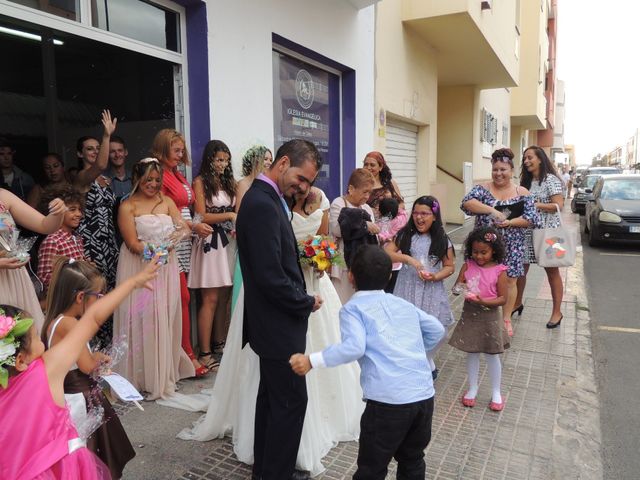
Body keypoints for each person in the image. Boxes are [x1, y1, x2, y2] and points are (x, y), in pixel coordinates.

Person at [178, 184, 363, 478]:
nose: (302, 187)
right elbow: (275, 250)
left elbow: (322, 237)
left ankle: (288, 452)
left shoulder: (318, 201)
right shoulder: (277, 205)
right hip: (286, 291)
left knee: (303, 366)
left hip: (311, 280)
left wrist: (321, 259)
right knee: (282, 385)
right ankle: (277, 462)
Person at [290, 245, 445, 480]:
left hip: (387, 403)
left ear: (350, 276)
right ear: (390, 276)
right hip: (423, 396)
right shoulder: (402, 304)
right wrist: (417, 355)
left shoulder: (353, 309)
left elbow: (354, 348)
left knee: (372, 467)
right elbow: (437, 329)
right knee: (412, 460)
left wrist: (312, 360)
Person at [0, 259, 159, 479]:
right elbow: (92, 319)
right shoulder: (47, 371)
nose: (41, 339)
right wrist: (132, 282)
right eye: (36, 336)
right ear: (20, 359)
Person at [235, 139, 323, 480]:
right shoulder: (261, 202)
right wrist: (305, 301)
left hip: (273, 325)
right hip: (276, 325)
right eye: (301, 178)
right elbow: (269, 277)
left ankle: (269, 471)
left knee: (273, 401)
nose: (303, 187)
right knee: (288, 403)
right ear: (283, 163)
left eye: (309, 184)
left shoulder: (268, 199)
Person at [42, 257, 135, 479]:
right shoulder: (71, 323)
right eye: (98, 296)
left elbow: (76, 358)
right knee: (86, 448)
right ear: (81, 297)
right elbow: (85, 366)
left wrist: (94, 356)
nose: (100, 301)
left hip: (66, 393)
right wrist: (99, 360)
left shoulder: (54, 321)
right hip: (78, 397)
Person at [114, 158, 197, 397]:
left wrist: (171, 243)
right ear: (138, 178)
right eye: (148, 179)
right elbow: (131, 243)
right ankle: (143, 375)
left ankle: (163, 371)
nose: (152, 184)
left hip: (166, 267)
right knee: (143, 316)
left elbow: (182, 227)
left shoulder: (168, 202)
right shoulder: (127, 206)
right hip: (139, 267)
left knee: (164, 315)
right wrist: (155, 253)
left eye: (156, 180)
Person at [152, 128, 212, 375]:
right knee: (179, 299)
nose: (180, 154)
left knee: (183, 297)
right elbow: (162, 210)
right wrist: (191, 225)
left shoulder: (175, 173)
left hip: (185, 237)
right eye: (175, 150)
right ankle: (184, 356)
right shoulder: (158, 175)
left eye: (181, 150)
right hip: (172, 237)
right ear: (163, 149)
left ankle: (184, 354)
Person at [461, 148, 538, 337]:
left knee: (511, 280)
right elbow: (466, 204)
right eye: (495, 169)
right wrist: (492, 210)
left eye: (503, 169)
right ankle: (480, 313)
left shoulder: (522, 192)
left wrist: (509, 222)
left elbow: (531, 218)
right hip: (484, 246)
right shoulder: (483, 189)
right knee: (483, 278)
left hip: (512, 244)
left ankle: (506, 319)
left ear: (511, 170)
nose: (498, 173)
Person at [384, 195, 455, 379]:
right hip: (406, 287)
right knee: (406, 329)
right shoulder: (405, 235)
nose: (419, 217)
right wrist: (407, 259)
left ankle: (427, 360)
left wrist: (435, 276)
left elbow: (449, 267)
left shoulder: (442, 239)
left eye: (424, 213)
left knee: (438, 329)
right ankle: (414, 366)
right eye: (415, 213)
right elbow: (387, 252)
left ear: (434, 215)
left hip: (431, 290)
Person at [448, 226, 510, 411]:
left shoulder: (500, 270)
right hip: (470, 314)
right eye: (475, 252)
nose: (479, 256)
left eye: (484, 252)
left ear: (494, 251)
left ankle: (496, 391)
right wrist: (461, 287)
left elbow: (503, 299)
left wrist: (484, 300)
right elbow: (456, 287)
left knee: (492, 354)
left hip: (490, 316)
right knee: (472, 352)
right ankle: (472, 388)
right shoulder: (468, 265)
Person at [188, 140, 236, 371]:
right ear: (209, 159)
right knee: (210, 298)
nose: (223, 164)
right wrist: (228, 215)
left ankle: (220, 343)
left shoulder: (228, 182)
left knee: (224, 297)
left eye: (226, 160)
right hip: (209, 241)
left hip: (228, 242)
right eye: (219, 159)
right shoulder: (200, 182)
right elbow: (201, 215)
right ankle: (204, 352)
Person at [0, 187, 66, 332]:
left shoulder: (3, 195)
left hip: (14, 278)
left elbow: (45, 225)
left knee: (25, 340)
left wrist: (58, 212)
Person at [515, 146, 565, 328]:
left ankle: (557, 312)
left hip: (549, 232)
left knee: (552, 272)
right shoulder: (525, 182)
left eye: (530, 157)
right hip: (527, 231)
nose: (526, 161)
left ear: (540, 159)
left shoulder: (550, 179)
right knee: (520, 269)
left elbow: (558, 205)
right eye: (524, 159)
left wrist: (534, 204)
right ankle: (517, 302)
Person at [329, 168, 379, 303]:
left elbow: (371, 233)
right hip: (343, 264)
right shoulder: (339, 203)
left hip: (363, 264)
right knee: (343, 301)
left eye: (370, 192)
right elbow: (337, 230)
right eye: (364, 192)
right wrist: (365, 226)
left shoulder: (367, 208)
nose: (367, 196)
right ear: (351, 188)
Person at [37, 185, 86, 292]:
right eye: (72, 210)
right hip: (64, 300)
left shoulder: (77, 238)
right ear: (58, 212)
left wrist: (86, 268)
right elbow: (44, 277)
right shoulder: (53, 241)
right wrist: (72, 280)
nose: (79, 214)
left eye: (79, 209)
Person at [376, 197, 408, 293]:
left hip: (383, 261)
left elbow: (379, 235)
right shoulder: (402, 219)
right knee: (394, 289)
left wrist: (383, 237)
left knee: (384, 289)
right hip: (397, 262)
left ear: (381, 211)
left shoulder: (382, 223)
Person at [363, 151, 404, 220]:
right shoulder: (360, 185)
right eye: (366, 164)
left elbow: (401, 204)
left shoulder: (390, 183)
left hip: (391, 226)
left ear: (380, 167)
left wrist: (389, 213)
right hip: (370, 227)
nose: (368, 168)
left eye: (372, 165)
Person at [106, 135, 133, 200]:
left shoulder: (135, 177)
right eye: (112, 152)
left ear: (125, 152)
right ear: (107, 154)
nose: (117, 155)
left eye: (120, 150)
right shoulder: (102, 180)